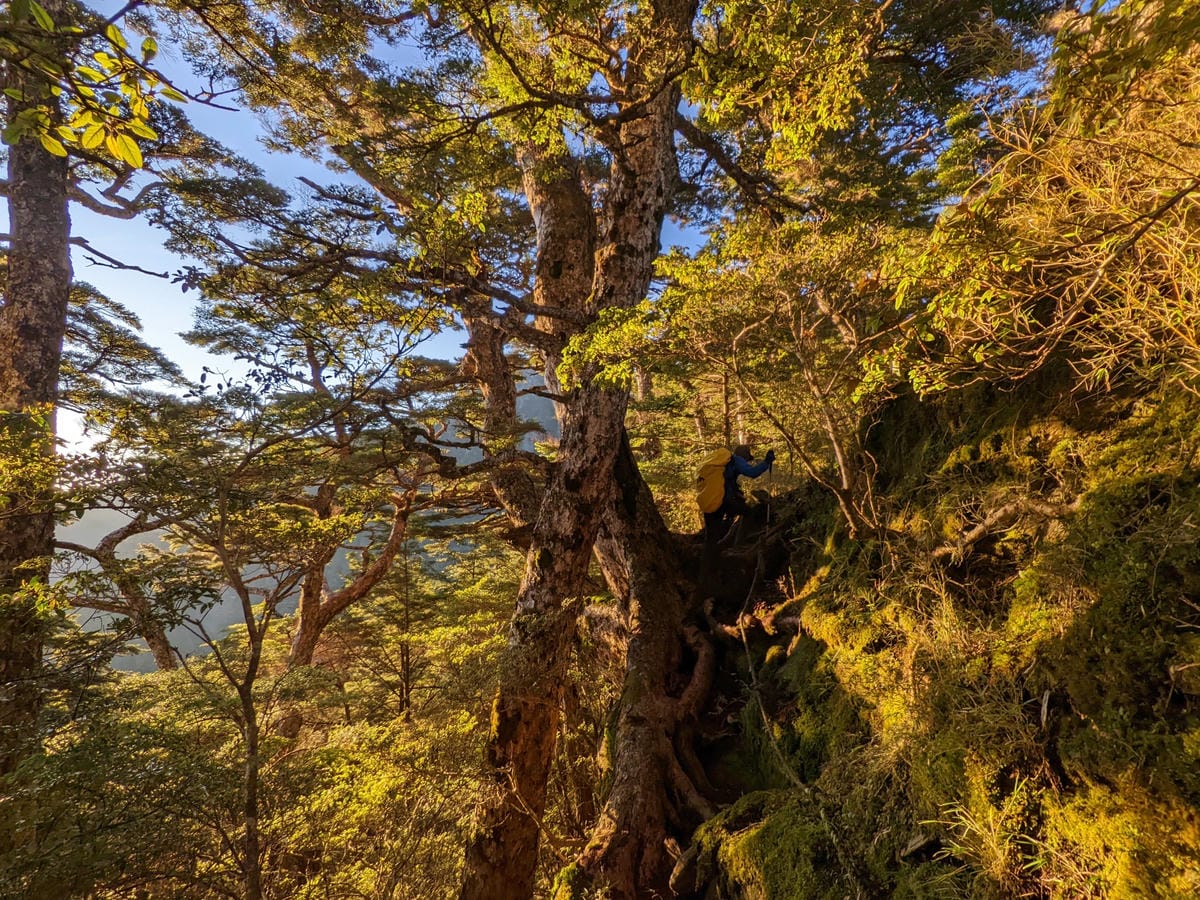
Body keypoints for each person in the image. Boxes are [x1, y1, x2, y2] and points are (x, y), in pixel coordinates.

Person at [703, 444, 775, 544]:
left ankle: (710, 556)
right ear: (744, 456)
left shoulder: (722, 464)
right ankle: (738, 543)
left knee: (711, 536)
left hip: (708, 500)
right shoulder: (736, 460)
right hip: (723, 501)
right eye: (747, 459)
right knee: (748, 512)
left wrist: (736, 492)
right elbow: (752, 472)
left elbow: (726, 482)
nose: (746, 462)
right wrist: (766, 462)